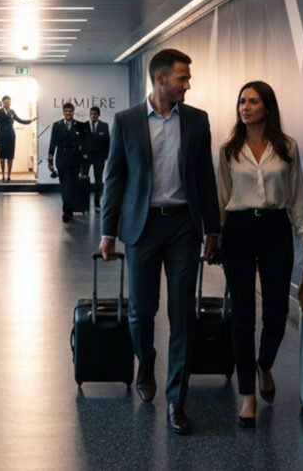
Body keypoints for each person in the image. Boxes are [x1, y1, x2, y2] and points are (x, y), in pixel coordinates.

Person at [98, 49, 220, 435]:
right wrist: (107, 231)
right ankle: (146, 361)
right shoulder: (127, 121)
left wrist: (211, 230)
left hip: (184, 226)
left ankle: (175, 401)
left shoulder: (198, 121)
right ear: (160, 79)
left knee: (182, 314)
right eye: (182, 78)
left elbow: (205, 178)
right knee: (141, 312)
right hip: (141, 227)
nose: (188, 85)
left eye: (188, 78)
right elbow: (114, 178)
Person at [214, 80, 303, 429]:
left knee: (276, 311)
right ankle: (247, 394)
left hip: (275, 228)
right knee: (242, 314)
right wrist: (213, 238)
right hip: (239, 233)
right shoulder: (229, 150)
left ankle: (264, 363)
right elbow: (222, 199)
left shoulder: (288, 147)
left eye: (253, 102)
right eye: (241, 101)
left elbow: (298, 196)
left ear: (267, 108)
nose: (245, 107)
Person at [47, 102, 88, 223]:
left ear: (73, 112)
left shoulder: (80, 126)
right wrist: (50, 162)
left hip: (75, 160)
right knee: (65, 186)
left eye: (70, 111)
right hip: (61, 160)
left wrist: (83, 163)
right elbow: (52, 144)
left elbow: (84, 145)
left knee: (71, 186)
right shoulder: (57, 125)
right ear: (63, 112)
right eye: (66, 111)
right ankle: (67, 211)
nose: (68, 113)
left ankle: (67, 210)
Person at [0, 95, 35, 183]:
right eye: (6, 102)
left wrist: (31, 120)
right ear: (3, 103)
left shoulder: (12, 112)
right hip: (2, 136)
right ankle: (3, 175)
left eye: (9, 102)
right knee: (2, 157)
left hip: (11, 136)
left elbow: (20, 120)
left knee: (10, 156)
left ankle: (9, 176)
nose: (8, 104)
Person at [82, 106, 110, 212]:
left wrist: (106, 156)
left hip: (99, 158)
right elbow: (81, 141)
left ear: (99, 115)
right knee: (84, 180)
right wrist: (83, 154)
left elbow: (108, 142)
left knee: (98, 181)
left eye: (95, 114)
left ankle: (97, 204)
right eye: (92, 113)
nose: (93, 115)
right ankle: (84, 204)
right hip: (86, 158)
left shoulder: (104, 126)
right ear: (90, 114)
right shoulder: (84, 125)